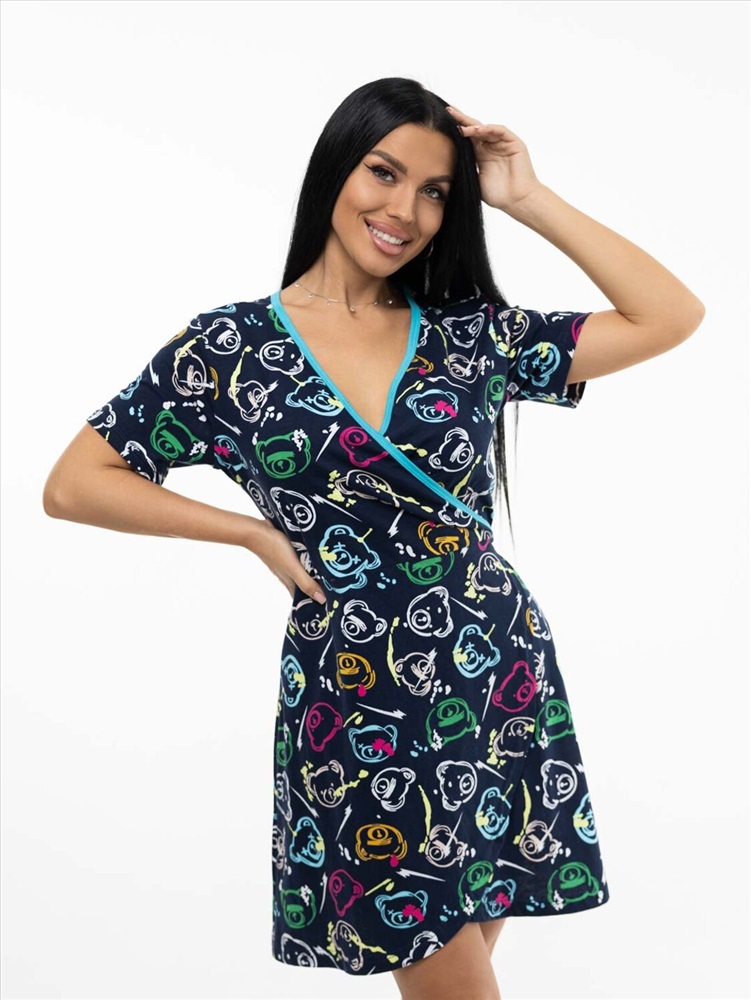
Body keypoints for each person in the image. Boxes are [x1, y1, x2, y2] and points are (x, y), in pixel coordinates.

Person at [43, 77, 704, 1000]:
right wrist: (251, 534)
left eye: (434, 191)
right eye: (383, 173)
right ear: (335, 169)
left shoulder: (470, 335)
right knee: (444, 972)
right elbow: (75, 484)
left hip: (491, 667)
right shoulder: (229, 348)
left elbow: (669, 315)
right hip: (357, 685)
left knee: (458, 971)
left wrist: (525, 197)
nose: (403, 210)